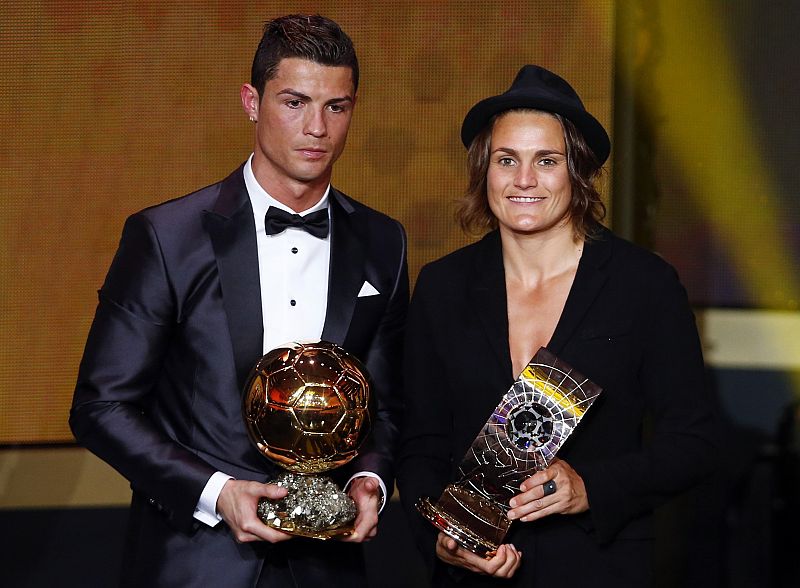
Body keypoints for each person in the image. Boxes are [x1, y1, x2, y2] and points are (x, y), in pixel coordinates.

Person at [70, 14, 408, 588]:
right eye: (295, 103)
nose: (317, 128)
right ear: (252, 102)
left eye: (336, 107)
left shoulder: (383, 241)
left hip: (327, 566)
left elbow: (388, 404)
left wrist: (369, 480)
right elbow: (101, 407)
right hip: (195, 562)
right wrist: (217, 492)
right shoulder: (167, 237)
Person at [397, 65, 718, 587]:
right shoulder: (442, 287)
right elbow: (420, 444)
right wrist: (441, 537)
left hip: (599, 569)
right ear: (484, 171)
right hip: (474, 576)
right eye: (507, 160)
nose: (524, 180)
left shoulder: (643, 285)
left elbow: (694, 443)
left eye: (546, 161)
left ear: (579, 171)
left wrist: (591, 486)